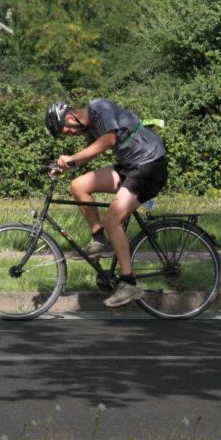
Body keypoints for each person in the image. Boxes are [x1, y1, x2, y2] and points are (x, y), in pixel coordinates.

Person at [46, 99, 168, 307]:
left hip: (149, 165)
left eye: (66, 131)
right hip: (130, 166)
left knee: (113, 219)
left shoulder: (98, 108)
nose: (70, 135)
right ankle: (100, 240)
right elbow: (87, 155)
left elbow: (109, 139)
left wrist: (72, 157)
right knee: (78, 186)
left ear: (69, 117)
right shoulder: (90, 129)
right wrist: (63, 167)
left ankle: (129, 283)